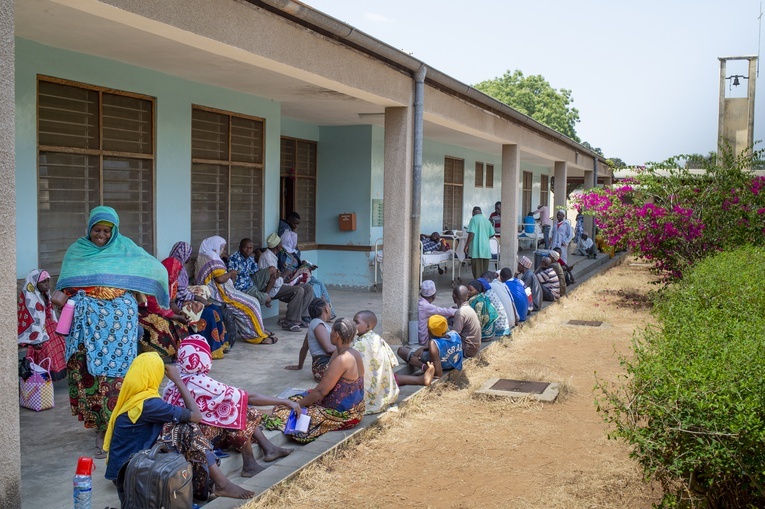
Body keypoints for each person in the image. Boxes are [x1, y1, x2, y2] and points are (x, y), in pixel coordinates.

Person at [56, 206, 170, 459]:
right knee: (91, 376)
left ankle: (115, 426)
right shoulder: (78, 251)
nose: (101, 235)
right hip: (88, 326)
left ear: (114, 231)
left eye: (107, 231)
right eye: (97, 230)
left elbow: (153, 269)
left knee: (117, 378)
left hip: (120, 329)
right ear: (89, 229)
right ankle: (101, 427)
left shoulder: (125, 248)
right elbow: (63, 287)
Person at [103, 352, 254, 500]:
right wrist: (178, 380)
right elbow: (196, 416)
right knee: (187, 430)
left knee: (181, 429)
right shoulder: (148, 404)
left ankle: (217, 484)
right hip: (131, 473)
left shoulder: (135, 397)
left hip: (127, 468)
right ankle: (221, 484)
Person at [162, 336, 294, 477]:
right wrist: (284, 402)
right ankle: (250, 464)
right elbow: (248, 397)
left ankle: (269, 449)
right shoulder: (199, 382)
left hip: (183, 435)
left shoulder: (174, 380)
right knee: (239, 409)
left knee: (233, 406)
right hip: (197, 439)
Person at [272, 318, 366, 444]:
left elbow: (320, 392)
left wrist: (298, 405)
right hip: (356, 411)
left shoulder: (342, 360)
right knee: (297, 398)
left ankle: (258, 412)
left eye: (331, 331)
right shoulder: (354, 353)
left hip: (343, 415)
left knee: (285, 411)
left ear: (336, 335)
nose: (329, 334)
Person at [352, 310, 434, 415]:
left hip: (369, 391)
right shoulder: (378, 338)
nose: (353, 325)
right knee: (391, 377)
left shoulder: (360, 344)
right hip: (385, 389)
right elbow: (392, 362)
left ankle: (420, 379)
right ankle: (420, 379)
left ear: (367, 326)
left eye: (356, 322)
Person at [195, 236, 274, 344]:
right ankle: (254, 336)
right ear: (214, 247)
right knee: (250, 305)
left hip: (225, 291)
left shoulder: (207, 257)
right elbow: (220, 279)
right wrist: (231, 273)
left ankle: (258, 330)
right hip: (221, 295)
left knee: (253, 302)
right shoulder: (211, 259)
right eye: (222, 247)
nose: (224, 251)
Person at [168, 241, 229, 358]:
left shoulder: (180, 266)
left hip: (183, 299)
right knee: (209, 313)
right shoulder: (174, 268)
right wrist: (197, 298)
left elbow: (183, 289)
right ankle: (212, 348)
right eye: (188, 255)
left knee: (214, 307)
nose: (190, 258)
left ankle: (221, 343)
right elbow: (178, 293)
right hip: (177, 304)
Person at [17, 269, 67, 381]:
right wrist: (38, 338)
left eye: (48, 281)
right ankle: (42, 378)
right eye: (43, 282)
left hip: (50, 328)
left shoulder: (44, 296)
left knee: (58, 351)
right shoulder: (30, 299)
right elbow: (33, 319)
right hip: (39, 331)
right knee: (46, 352)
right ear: (34, 283)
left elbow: (50, 311)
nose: (47, 285)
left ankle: (48, 379)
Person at [257, 233, 313, 333]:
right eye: (281, 244)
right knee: (298, 290)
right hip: (269, 288)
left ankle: (302, 317)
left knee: (308, 288)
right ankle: (290, 322)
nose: (282, 246)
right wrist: (285, 275)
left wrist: (288, 278)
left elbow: (277, 278)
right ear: (278, 246)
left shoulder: (273, 256)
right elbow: (275, 282)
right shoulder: (267, 258)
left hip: (277, 284)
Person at [137, 257, 190, 361]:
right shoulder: (154, 281)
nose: (177, 275)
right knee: (162, 324)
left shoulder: (173, 283)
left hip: (163, 311)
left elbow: (172, 303)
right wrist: (176, 316)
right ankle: (156, 356)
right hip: (144, 311)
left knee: (181, 324)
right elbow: (154, 307)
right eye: (176, 272)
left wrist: (180, 313)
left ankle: (180, 354)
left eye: (178, 272)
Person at [279, 231, 335, 318]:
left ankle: (330, 311)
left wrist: (306, 265)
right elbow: (285, 272)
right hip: (293, 279)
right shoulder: (282, 255)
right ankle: (317, 313)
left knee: (320, 283)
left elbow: (297, 265)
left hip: (302, 275)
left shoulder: (294, 253)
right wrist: (297, 273)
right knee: (313, 288)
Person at [285, 298, 335, 382]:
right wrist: (347, 349)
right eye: (329, 306)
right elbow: (329, 349)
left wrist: (299, 366)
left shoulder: (314, 324)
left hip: (319, 368)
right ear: (326, 309)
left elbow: (304, 347)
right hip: (324, 366)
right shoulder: (318, 325)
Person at [397, 315, 463, 378]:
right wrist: (423, 348)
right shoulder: (455, 334)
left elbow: (438, 374)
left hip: (443, 366)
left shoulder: (433, 343)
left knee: (401, 350)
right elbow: (444, 345)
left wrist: (419, 364)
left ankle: (418, 361)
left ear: (429, 332)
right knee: (416, 350)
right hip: (453, 364)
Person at [417, 280, 456, 345]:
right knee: (447, 322)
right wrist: (459, 310)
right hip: (425, 340)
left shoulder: (421, 303)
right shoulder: (426, 306)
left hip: (420, 336)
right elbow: (444, 312)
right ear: (434, 296)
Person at [464, 206, 496, 279]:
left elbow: (471, 233)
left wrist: (466, 246)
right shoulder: (487, 221)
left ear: (473, 212)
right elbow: (492, 234)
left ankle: (478, 286)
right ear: (481, 212)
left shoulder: (473, 219)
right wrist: (484, 239)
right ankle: (484, 285)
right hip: (486, 249)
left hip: (476, 249)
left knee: (477, 272)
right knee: (484, 272)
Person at [451, 285, 482, 357]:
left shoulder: (460, 312)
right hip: (474, 347)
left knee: (439, 329)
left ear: (454, 296)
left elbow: (454, 335)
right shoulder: (468, 308)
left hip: (467, 349)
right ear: (467, 296)